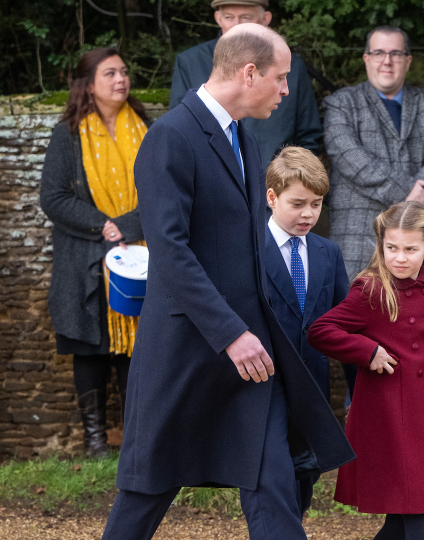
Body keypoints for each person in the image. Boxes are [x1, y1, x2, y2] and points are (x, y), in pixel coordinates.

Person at [100, 24, 353, 540]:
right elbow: (170, 252)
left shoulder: (243, 137)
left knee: (273, 481)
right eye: (281, 78)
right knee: (148, 488)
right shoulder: (170, 137)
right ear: (249, 72)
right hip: (186, 350)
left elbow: (247, 248)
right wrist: (229, 334)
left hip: (250, 356)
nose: (287, 90)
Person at [308, 201, 424, 540]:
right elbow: (321, 330)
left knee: (402, 519)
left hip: (423, 412)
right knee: (418, 518)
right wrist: (367, 351)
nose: (399, 257)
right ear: (381, 246)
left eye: (410, 249)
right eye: (391, 248)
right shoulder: (370, 289)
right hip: (388, 415)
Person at [40, 47, 150, 458]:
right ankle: (95, 441)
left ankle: (135, 437)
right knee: (89, 346)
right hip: (83, 258)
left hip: (138, 255)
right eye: (110, 73)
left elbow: (163, 190)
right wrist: (102, 224)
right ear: (88, 84)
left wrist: (128, 226)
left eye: (124, 71)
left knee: (135, 348)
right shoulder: (67, 134)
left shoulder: (148, 129)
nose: (121, 79)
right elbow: (53, 197)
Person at [323, 26, 424, 307]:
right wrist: (410, 193)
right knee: (361, 333)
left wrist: (421, 191)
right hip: (361, 235)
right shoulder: (341, 104)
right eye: (379, 53)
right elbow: (348, 156)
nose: (387, 61)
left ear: (408, 60)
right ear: (366, 58)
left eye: (396, 53)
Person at [261, 145, 358, 516]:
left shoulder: (328, 253)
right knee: (270, 485)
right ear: (272, 197)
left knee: (304, 482)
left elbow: (345, 327)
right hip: (263, 388)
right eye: (298, 203)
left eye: (316, 204)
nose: (308, 214)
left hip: (313, 391)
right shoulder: (247, 249)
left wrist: (355, 395)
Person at [168, 0, 323, 166]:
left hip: (275, 184)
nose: (236, 26)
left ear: (265, 19)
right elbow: (180, 129)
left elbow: (308, 136)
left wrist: (289, 181)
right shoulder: (191, 62)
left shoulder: (292, 66)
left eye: (245, 17)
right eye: (229, 17)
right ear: (217, 18)